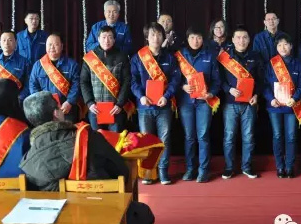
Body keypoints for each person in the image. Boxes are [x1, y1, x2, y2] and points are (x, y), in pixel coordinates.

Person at [19, 92, 155, 224]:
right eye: (59, 107)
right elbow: (121, 172)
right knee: (144, 213)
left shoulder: (28, 157)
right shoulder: (86, 137)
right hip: (102, 219)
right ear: (56, 113)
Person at [131, 22, 181, 185]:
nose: (156, 38)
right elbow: (133, 81)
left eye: (159, 34)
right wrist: (141, 96)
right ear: (147, 37)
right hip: (145, 106)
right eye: (152, 35)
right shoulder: (138, 58)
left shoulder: (170, 58)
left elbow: (175, 80)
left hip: (163, 106)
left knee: (164, 139)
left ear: (163, 37)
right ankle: (148, 173)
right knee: (146, 140)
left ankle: (163, 171)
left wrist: (166, 96)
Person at [175, 27, 221, 183]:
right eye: (192, 38)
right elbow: (173, 78)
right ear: (187, 39)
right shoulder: (180, 56)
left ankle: (203, 170)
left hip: (204, 102)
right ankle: (190, 169)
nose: (196, 41)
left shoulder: (209, 55)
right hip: (186, 102)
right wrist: (182, 86)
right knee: (189, 137)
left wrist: (211, 93)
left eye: (199, 38)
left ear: (203, 39)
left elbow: (217, 81)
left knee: (203, 136)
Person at [218, 25, 264, 179]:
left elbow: (261, 80)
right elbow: (219, 79)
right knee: (229, 137)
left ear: (249, 39)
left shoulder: (256, 56)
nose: (241, 40)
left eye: (244, 37)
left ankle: (247, 166)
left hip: (249, 104)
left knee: (248, 136)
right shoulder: (225, 57)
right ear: (232, 39)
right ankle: (229, 167)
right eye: (238, 37)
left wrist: (257, 95)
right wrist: (229, 89)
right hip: (230, 103)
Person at [264, 32, 301, 178]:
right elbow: (265, 85)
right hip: (275, 106)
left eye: (285, 44)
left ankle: (289, 166)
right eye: (279, 45)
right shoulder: (271, 64)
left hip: (292, 106)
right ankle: (280, 166)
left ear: (291, 46)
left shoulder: (299, 64)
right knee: (277, 136)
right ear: (276, 47)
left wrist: (295, 98)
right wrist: (271, 99)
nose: (282, 47)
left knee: (291, 137)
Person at [81, 26, 132, 132]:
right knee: (97, 139)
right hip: (95, 109)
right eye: (104, 37)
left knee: (115, 140)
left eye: (110, 37)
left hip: (115, 109)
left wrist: (119, 104)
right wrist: (89, 103)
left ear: (114, 39)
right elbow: (84, 82)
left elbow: (127, 82)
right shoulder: (90, 58)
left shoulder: (122, 57)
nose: (106, 40)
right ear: (98, 39)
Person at [29, 33, 81, 123]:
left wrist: (69, 102)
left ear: (61, 46)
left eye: (56, 44)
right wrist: (40, 103)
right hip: (45, 110)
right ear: (45, 46)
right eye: (49, 44)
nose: (52, 47)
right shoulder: (38, 65)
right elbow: (33, 85)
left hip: (66, 108)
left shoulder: (72, 65)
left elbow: (76, 86)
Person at [0, 31, 31, 103]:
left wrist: (20, 98)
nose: (6, 43)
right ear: (0, 43)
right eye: (4, 40)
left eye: (10, 40)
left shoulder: (24, 62)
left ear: (16, 42)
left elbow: (28, 83)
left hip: (15, 102)